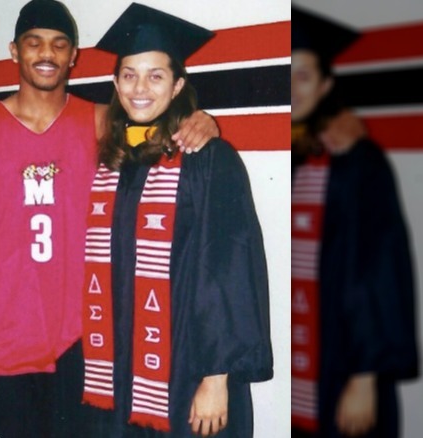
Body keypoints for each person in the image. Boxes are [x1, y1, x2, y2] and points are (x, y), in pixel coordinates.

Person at [0, 1, 220, 436]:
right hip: (2, 341)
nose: (46, 53)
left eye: (59, 45)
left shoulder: (99, 122)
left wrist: (199, 121)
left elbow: (161, 129)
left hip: (83, 344)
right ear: (14, 51)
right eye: (33, 43)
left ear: (73, 56)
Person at [80, 4, 273, 437]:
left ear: (177, 84)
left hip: (189, 368)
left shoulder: (207, 159)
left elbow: (230, 269)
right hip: (124, 369)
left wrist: (217, 378)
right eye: (129, 75)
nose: (140, 88)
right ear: (115, 83)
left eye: (156, 75)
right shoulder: (111, 162)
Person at [290, 5, 420, 437]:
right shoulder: (280, 158)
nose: (293, 88)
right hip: (289, 370)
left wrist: (365, 378)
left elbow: (379, 272)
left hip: (340, 367)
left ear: (326, 85)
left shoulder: (357, 163)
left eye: (304, 75)